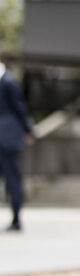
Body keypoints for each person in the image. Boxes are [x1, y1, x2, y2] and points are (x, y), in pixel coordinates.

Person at [0, 57, 34, 232]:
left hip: (7, 138)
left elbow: (20, 108)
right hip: (7, 135)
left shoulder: (9, 82)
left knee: (12, 178)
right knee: (12, 177)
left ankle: (16, 218)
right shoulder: (8, 81)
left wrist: (28, 130)